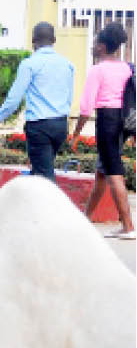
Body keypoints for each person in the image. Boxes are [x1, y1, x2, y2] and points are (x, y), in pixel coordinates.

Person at [68, 22, 135, 239]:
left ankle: (128, 226)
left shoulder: (97, 70)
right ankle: (85, 218)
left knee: (114, 172)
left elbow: (86, 106)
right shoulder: (127, 67)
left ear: (103, 46)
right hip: (124, 121)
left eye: (96, 42)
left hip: (107, 121)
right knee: (102, 172)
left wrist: (76, 133)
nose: (94, 46)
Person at [0, 21, 75, 182]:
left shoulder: (29, 64)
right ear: (54, 40)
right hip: (60, 125)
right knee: (41, 170)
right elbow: (69, 96)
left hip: (39, 127)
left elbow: (14, 99)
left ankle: (52, 206)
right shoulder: (67, 64)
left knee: (44, 179)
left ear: (33, 40)